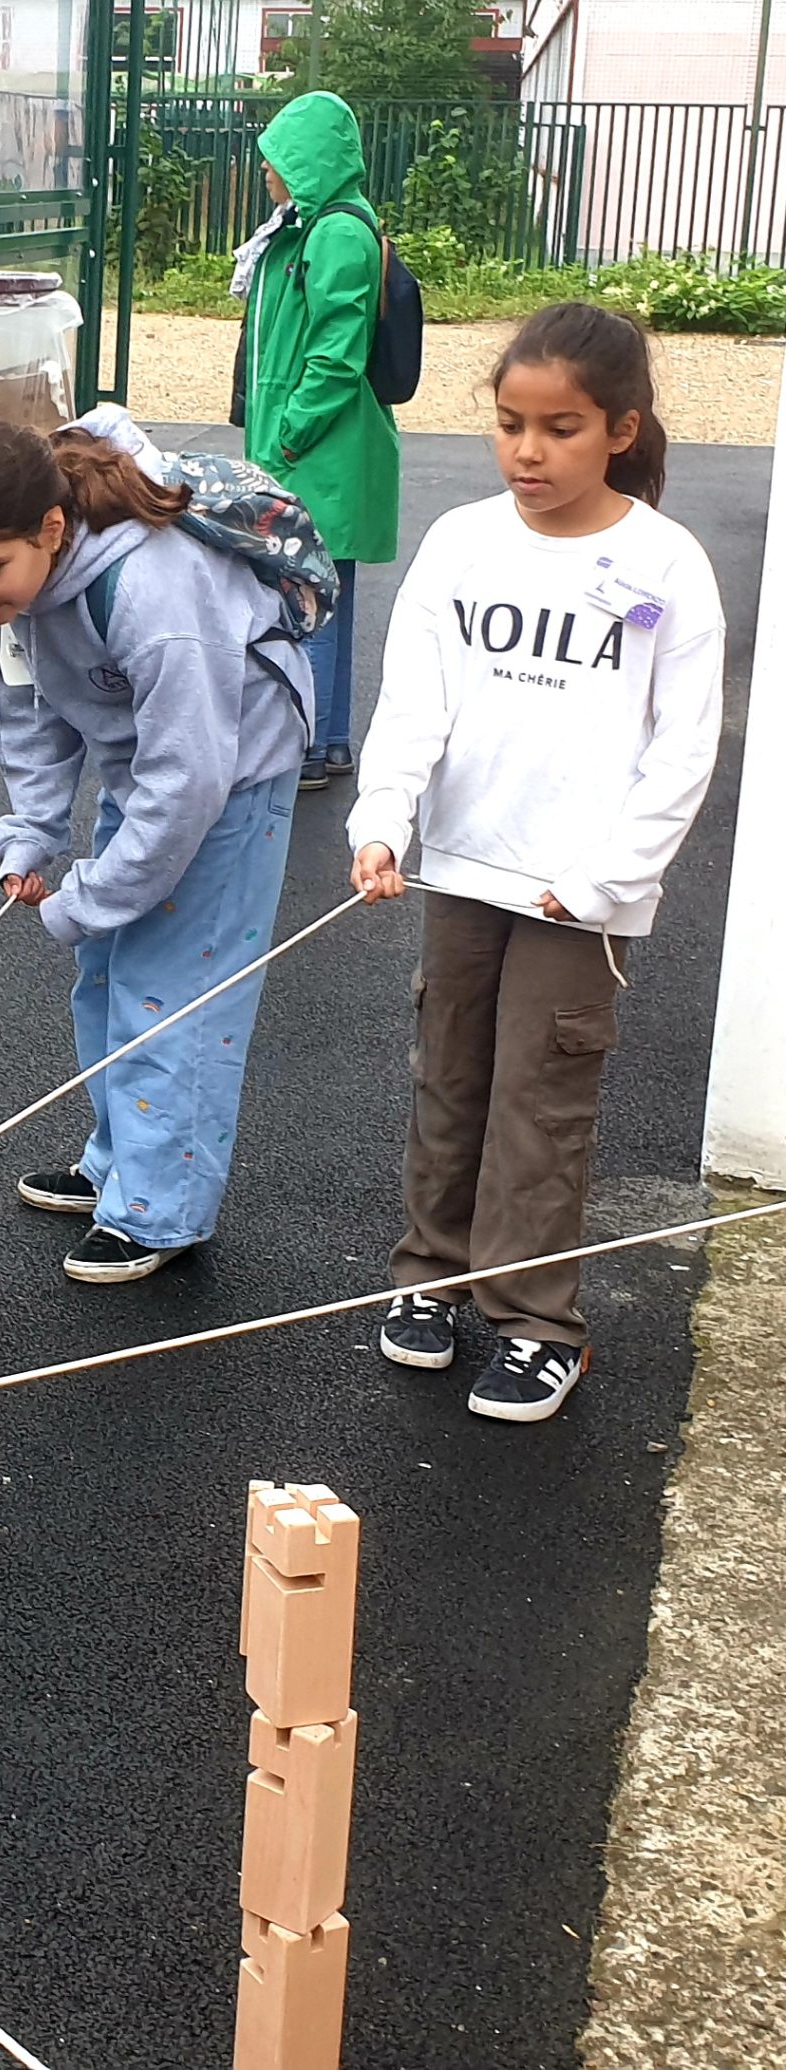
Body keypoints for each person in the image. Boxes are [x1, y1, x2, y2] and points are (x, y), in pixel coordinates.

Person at [350, 302, 722, 1423]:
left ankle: (535, 1322)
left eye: (558, 428)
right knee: (450, 1075)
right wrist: (382, 820)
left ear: (619, 428)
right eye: (509, 423)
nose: (526, 451)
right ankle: (431, 1281)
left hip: (578, 893)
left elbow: (683, 742)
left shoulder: (664, 561)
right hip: (461, 869)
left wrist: (609, 880)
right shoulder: (461, 542)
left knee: (541, 1102)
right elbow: (414, 701)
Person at [0, 415, 312, 1284]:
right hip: (149, 765)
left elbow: (192, 782)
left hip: (232, 772)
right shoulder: (16, 593)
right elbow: (28, 711)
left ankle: (161, 1210)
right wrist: (33, 833)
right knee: (106, 979)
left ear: (51, 531)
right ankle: (119, 1163)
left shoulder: (153, 591)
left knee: (175, 996)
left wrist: (89, 896)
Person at [241, 89, 400, 792]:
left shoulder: (332, 233)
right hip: (329, 447)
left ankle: (304, 744)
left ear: (306, 162)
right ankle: (329, 739)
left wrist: (287, 439)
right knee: (328, 590)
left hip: (317, 448)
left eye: (277, 159)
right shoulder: (326, 224)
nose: (268, 173)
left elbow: (334, 354)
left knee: (307, 592)